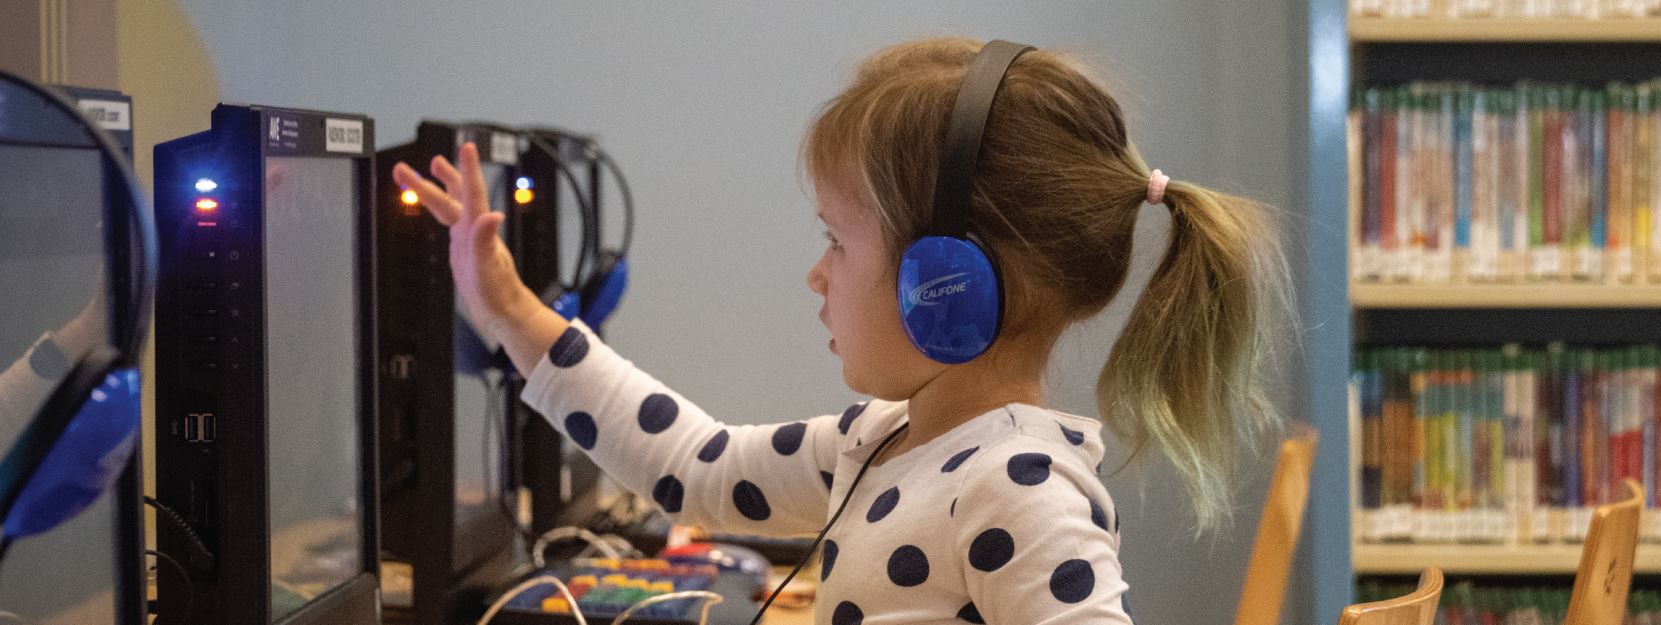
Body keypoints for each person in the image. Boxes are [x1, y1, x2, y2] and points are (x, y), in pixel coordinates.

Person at [390, 37, 1286, 624]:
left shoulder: (1019, 489)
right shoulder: (880, 441)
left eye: (836, 240)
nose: (817, 275)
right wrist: (510, 310)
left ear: (948, 283)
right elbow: (697, 468)